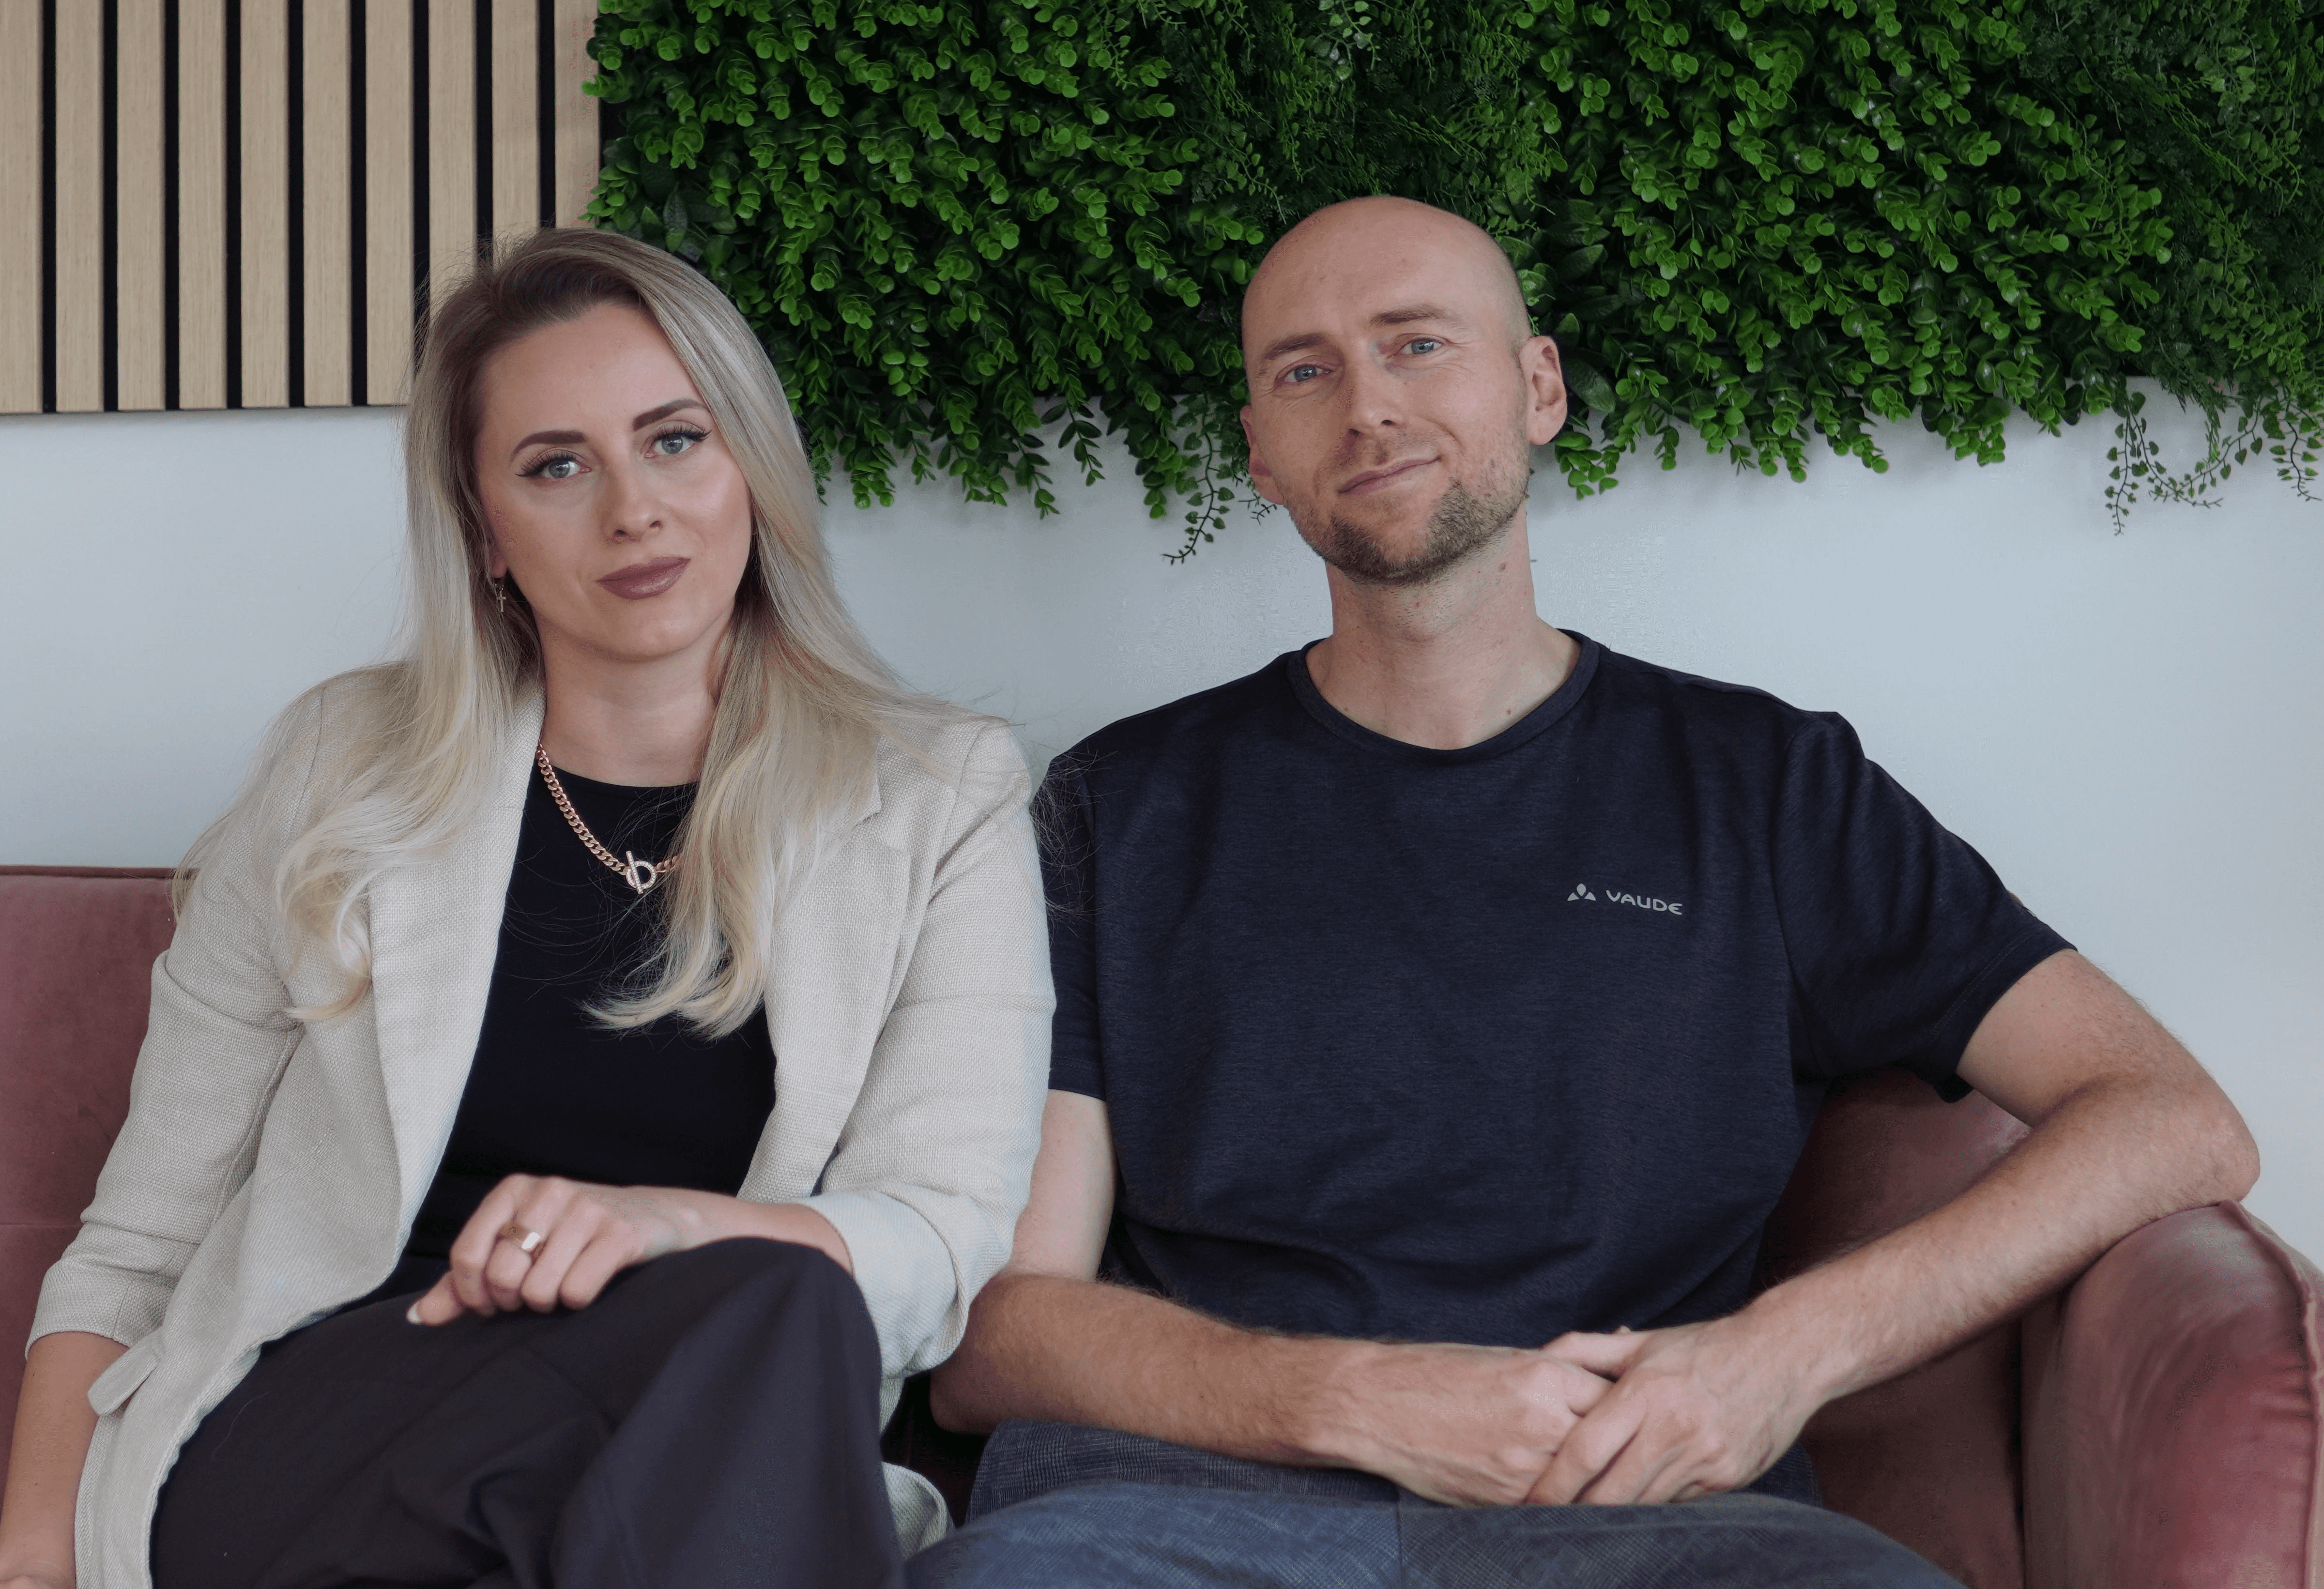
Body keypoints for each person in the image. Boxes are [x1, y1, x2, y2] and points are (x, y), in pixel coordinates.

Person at [913, 196, 2261, 1588]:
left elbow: (2173, 1120)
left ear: (1538, 384)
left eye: (1419, 343)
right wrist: (1366, 1401)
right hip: (1163, 1527)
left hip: (1657, 1531)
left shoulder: (1766, 785)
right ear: (1260, 452)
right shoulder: (1115, 804)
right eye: (1303, 371)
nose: (1368, 408)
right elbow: (1000, 1333)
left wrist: (1778, 1358)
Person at [0, 229, 1052, 1589]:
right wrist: (29, 1554)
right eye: (557, 467)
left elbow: (942, 1241)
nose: (634, 511)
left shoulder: (939, 796)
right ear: (484, 533)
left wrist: (666, 1225)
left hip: (678, 1433)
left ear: (754, 468)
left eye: (676, 440)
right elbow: (138, 1242)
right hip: (327, 1423)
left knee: (779, 1304)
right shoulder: (339, 772)